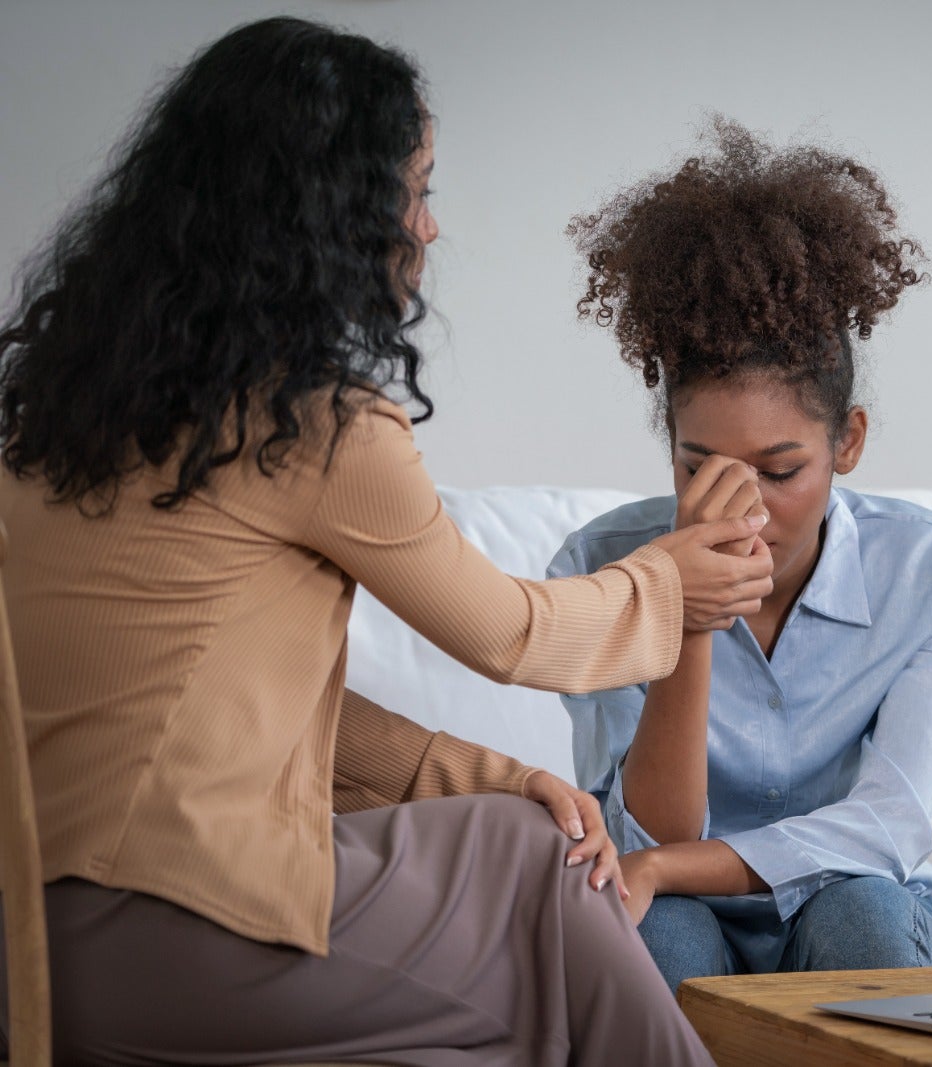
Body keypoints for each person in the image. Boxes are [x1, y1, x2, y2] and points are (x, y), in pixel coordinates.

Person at [0, 17, 766, 1065]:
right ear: (334, 215)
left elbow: (230, 714)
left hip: (39, 950)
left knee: (511, 929)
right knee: (543, 865)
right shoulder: (313, 425)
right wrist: (668, 582)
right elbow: (512, 633)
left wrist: (490, 774)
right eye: (417, 190)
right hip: (181, 928)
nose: (430, 228)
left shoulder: (55, 426)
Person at [552, 121, 932, 992]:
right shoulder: (597, 568)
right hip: (679, 913)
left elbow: (888, 826)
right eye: (699, 468)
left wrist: (667, 866)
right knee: (655, 934)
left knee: (865, 916)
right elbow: (641, 842)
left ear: (848, 441)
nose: (741, 508)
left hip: (846, 902)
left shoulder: (929, 569)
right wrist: (689, 614)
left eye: (781, 471)